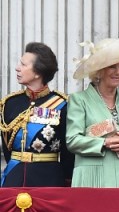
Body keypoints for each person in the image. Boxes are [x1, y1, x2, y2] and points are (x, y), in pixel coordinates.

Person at [67, 35, 119, 188]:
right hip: (92, 179)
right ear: (99, 71)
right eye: (112, 66)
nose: (118, 72)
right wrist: (106, 142)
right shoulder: (79, 100)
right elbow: (72, 140)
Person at [0, 42, 74, 187]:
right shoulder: (9, 103)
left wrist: (67, 178)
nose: (17, 68)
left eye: (23, 64)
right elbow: (6, 147)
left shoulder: (62, 104)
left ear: (37, 72)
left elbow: (67, 151)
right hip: (14, 177)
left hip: (49, 180)